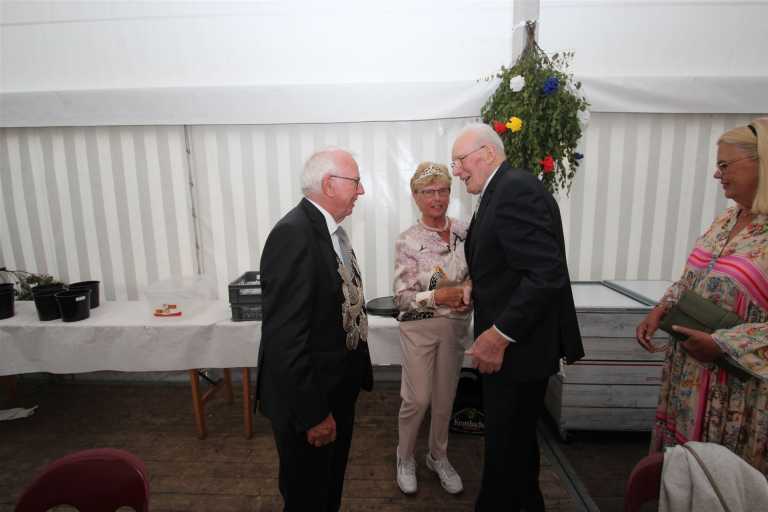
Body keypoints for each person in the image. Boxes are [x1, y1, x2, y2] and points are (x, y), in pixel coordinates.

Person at [451, 122, 584, 511]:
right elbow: (510, 262)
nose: (456, 170)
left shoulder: (514, 191)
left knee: (505, 453)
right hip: (517, 349)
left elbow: (546, 273)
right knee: (516, 451)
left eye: (459, 161)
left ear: (488, 153)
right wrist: (476, 284)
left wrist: (499, 335)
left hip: (518, 350)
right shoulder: (501, 189)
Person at [636, 118, 768, 475]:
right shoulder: (727, 219)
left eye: (725, 165)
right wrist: (662, 308)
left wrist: (723, 345)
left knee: (724, 483)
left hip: (739, 394)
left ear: (762, 162)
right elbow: (693, 278)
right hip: (691, 380)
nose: (716, 174)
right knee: (687, 478)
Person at [256, 148, 374, 511]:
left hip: (333, 391)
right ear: (329, 184)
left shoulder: (327, 230)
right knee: (308, 497)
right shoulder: (294, 235)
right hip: (309, 403)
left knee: (327, 490)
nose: (361, 190)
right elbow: (284, 341)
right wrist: (313, 415)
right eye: (356, 182)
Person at [392, 162, 471, 495]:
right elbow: (401, 298)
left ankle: (438, 456)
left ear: (450, 193)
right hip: (420, 327)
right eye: (428, 192)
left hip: (455, 327)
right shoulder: (408, 241)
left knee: (444, 399)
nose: (437, 198)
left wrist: (469, 291)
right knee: (418, 399)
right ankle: (404, 457)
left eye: (443, 190)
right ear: (415, 196)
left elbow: (480, 272)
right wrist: (438, 295)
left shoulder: (465, 231)